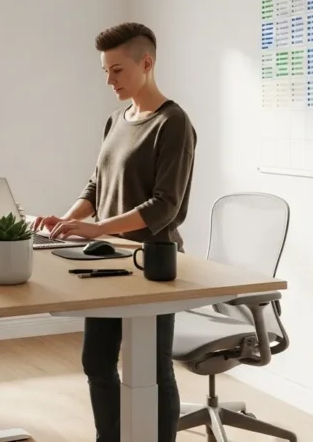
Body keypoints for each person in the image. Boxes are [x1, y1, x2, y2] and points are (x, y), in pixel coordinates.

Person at [32, 22, 197, 442]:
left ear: (147, 63)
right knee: (97, 362)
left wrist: (98, 227)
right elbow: (95, 185)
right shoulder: (115, 119)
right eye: (105, 71)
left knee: (152, 369)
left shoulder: (172, 123)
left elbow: (165, 205)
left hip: (150, 265)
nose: (109, 80)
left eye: (118, 70)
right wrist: (67, 222)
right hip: (106, 261)